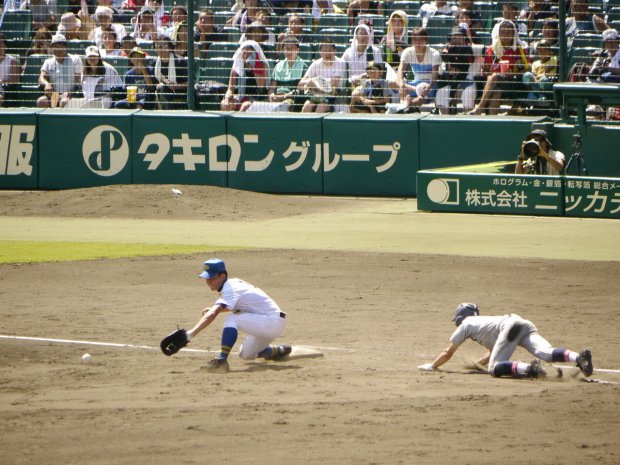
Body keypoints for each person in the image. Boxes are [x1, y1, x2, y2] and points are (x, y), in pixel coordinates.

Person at [418, 303, 594, 379]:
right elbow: (493, 350)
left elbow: (447, 353)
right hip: (521, 323)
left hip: (509, 327)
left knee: (495, 368)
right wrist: (479, 364)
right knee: (546, 353)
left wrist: (432, 366)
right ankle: (579, 357)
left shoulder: (466, 324)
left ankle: (530, 369)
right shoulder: (482, 324)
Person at [181, 258, 292, 373]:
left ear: (222, 276)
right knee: (246, 354)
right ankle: (279, 350)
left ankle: (221, 360)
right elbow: (236, 305)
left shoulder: (230, 288)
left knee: (232, 319)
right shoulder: (232, 285)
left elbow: (213, 313)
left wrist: (191, 334)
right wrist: (214, 309)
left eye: (212, 278)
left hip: (271, 321)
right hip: (267, 323)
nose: (209, 281)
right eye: (207, 278)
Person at [468, 20, 530, 115]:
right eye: (503, 32)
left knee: (494, 77)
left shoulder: (520, 49)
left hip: (513, 82)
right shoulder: (492, 50)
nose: (506, 35)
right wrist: (489, 73)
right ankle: (492, 122)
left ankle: (479, 108)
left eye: (509, 32)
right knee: (496, 90)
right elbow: (486, 70)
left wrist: (513, 73)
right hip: (495, 85)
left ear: (514, 33)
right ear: (499, 33)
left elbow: (528, 68)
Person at [397, 27, 441, 110]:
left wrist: (429, 87)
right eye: (415, 40)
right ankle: (408, 104)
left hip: (430, 84)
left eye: (421, 39)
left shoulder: (434, 54)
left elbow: (435, 75)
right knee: (394, 82)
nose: (417, 42)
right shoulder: (407, 52)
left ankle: (408, 104)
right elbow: (401, 69)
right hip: (414, 84)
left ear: (426, 41)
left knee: (423, 91)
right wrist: (401, 83)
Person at [221, 40, 270, 111]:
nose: (246, 56)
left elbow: (260, 85)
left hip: (259, 99)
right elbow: (230, 89)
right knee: (224, 104)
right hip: (242, 97)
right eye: (244, 53)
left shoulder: (263, 65)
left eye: (250, 53)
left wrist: (254, 65)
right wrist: (227, 99)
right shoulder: (238, 65)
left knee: (246, 105)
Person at [299, 39, 346, 113]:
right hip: (317, 95)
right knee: (306, 107)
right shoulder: (315, 64)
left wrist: (315, 81)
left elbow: (334, 82)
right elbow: (300, 84)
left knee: (320, 108)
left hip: (334, 97)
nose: (327, 53)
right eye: (324, 50)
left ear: (334, 51)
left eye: (330, 50)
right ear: (320, 52)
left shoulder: (340, 63)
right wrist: (309, 81)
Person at [37, 34, 83, 108]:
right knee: (41, 102)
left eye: (61, 46)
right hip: (54, 95)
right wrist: (47, 84)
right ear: (52, 48)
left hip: (70, 94)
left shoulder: (75, 59)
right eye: (55, 46)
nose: (59, 49)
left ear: (66, 47)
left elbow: (78, 80)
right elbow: (41, 78)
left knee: (64, 102)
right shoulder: (48, 62)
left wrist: (71, 92)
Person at [263, 35, 307, 111]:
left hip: (291, 99)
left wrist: (283, 97)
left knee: (283, 106)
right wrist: (271, 96)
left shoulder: (303, 66)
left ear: (297, 50)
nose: (288, 52)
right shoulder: (278, 66)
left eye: (291, 49)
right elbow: (272, 87)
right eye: (286, 49)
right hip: (276, 97)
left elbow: (299, 90)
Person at [342, 23, 384, 90]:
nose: (362, 36)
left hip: (368, 84)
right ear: (356, 36)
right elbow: (341, 68)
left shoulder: (375, 51)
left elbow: (378, 72)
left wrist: (361, 78)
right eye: (360, 33)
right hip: (350, 84)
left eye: (365, 34)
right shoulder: (348, 52)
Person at [153, 36, 187, 109]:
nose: (160, 49)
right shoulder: (155, 63)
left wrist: (176, 86)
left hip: (180, 93)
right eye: (157, 46)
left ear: (170, 47)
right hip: (163, 92)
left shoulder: (180, 62)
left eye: (162, 46)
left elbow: (191, 82)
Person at [0, 33, 19, 107]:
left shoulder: (12, 61)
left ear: (5, 47)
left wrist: (2, 82)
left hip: (5, 92)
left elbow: (15, 80)